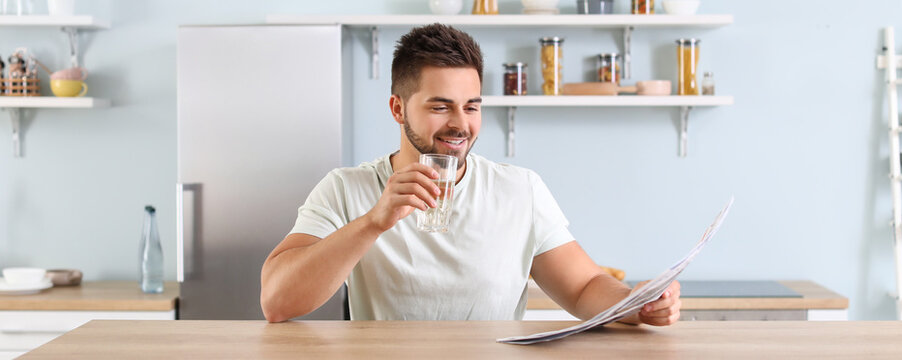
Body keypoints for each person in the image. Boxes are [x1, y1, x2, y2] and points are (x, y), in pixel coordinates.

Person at [260, 23, 681, 325]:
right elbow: (277, 302)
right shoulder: (345, 189)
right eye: (440, 106)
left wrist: (636, 303)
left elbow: (585, 286)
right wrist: (374, 222)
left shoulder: (520, 190)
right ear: (397, 109)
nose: (461, 124)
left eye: (472, 106)